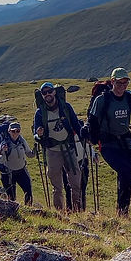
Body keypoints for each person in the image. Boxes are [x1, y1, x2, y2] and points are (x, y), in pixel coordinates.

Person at [88, 67, 131, 216]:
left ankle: (122, 212)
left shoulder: (130, 98)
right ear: (112, 81)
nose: (122, 87)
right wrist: (93, 139)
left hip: (126, 143)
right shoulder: (102, 100)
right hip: (107, 144)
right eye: (119, 83)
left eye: (125, 83)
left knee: (128, 176)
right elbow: (92, 120)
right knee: (124, 171)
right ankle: (122, 212)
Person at [33, 82, 83, 211]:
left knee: (76, 183)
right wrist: (38, 135)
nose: (48, 94)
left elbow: (76, 125)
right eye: (44, 93)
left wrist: (85, 137)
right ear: (42, 95)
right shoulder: (40, 113)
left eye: (50, 91)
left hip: (69, 148)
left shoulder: (66, 107)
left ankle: (77, 212)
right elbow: (36, 135)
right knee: (57, 187)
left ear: (54, 92)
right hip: (52, 151)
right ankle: (60, 214)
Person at [0, 121, 35, 204]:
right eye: (13, 131)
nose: (15, 133)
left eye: (17, 131)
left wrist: (35, 151)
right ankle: (13, 214)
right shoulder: (4, 144)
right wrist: (3, 152)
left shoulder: (22, 141)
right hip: (9, 174)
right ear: (9, 131)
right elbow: (0, 160)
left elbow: (29, 154)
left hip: (22, 171)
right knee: (11, 198)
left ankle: (29, 211)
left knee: (28, 192)